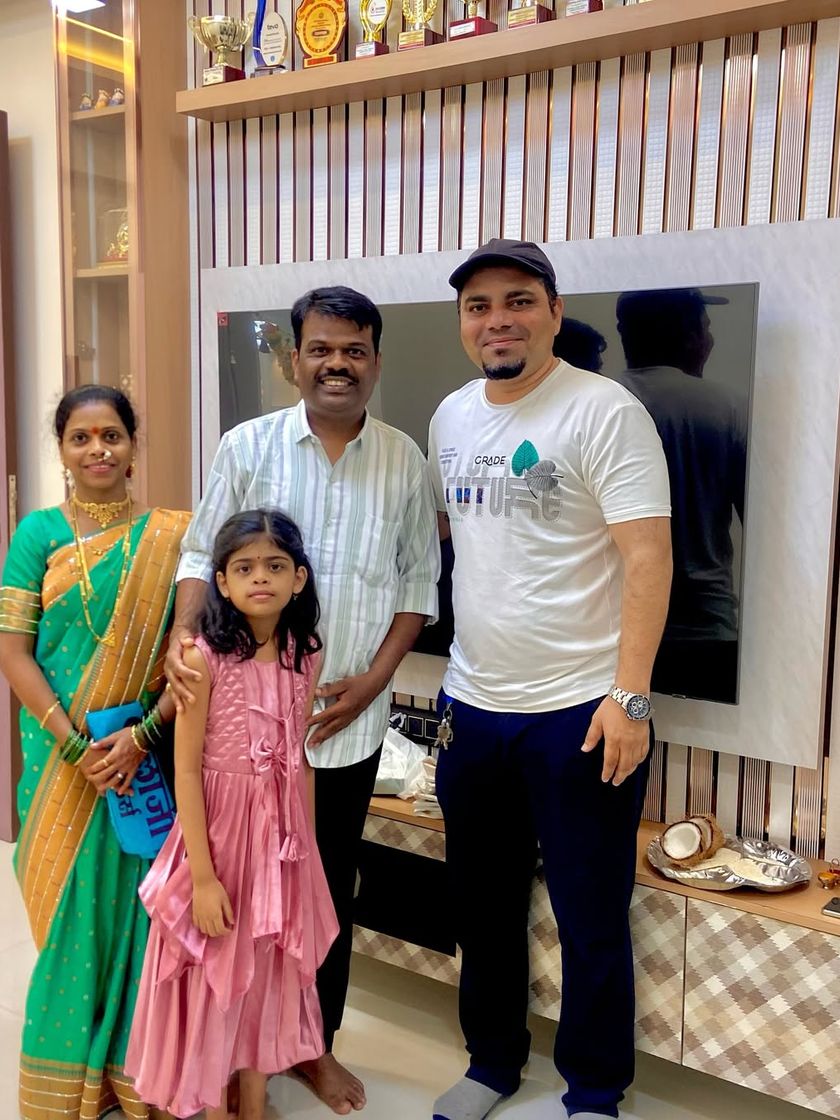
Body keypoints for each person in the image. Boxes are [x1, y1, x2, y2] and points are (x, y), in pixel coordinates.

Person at [166, 286, 439, 1114]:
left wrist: (375, 681)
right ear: (294, 359)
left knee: (321, 894)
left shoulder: (404, 460)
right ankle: (229, 1051)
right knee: (231, 897)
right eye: (320, 349)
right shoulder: (247, 445)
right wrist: (182, 643)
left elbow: (417, 586)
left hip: (340, 730)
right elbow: (199, 554)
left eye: (354, 350)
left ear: (376, 361)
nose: (336, 364)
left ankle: (312, 1046)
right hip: (237, 741)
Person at [427, 240, 672, 1120]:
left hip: (580, 712)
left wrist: (630, 697)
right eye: (479, 306)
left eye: (519, 300)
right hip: (472, 707)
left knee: (589, 912)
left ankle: (595, 1090)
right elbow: (465, 545)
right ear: (464, 323)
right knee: (481, 906)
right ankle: (492, 1062)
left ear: (555, 312)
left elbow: (649, 558)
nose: (498, 320)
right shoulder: (451, 416)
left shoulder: (604, 411)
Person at [0, 385, 190, 1120]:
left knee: (140, 916)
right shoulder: (37, 533)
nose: (98, 449)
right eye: (81, 437)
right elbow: (14, 653)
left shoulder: (173, 535)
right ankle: (67, 1081)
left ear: (133, 444)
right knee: (68, 920)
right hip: (60, 763)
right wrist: (75, 744)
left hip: (142, 760)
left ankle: (134, 1078)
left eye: (111, 434)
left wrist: (141, 737)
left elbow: (186, 652)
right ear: (62, 450)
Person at [125, 509, 339, 1120]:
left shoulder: (306, 652)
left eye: (275, 566)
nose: (260, 578)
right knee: (217, 967)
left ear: (299, 578)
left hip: (279, 844)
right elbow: (188, 770)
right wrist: (203, 877)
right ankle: (215, 1106)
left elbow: (297, 758)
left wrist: (307, 855)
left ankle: (253, 1100)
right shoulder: (202, 658)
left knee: (267, 970)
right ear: (221, 581)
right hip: (218, 839)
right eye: (244, 568)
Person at [614, 288, 747, 704]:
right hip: (706, 625)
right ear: (689, 337)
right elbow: (761, 519)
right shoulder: (725, 406)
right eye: (706, 328)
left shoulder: (595, 404)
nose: (710, 340)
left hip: (612, 629)